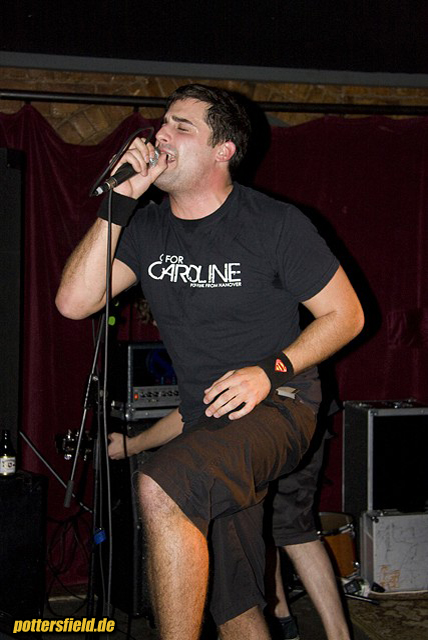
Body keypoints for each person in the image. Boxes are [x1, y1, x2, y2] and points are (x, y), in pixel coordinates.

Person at [56, 84, 364, 640]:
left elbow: (347, 316)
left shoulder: (273, 224)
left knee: (161, 486)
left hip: (281, 404)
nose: (161, 135)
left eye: (182, 126)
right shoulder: (147, 228)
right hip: (208, 423)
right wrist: (119, 202)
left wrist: (269, 371)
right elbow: (74, 303)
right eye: (163, 122)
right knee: (234, 600)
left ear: (224, 150)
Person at [108, 410, 352, 640]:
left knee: (294, 531)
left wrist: (134, 444)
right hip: (263, 429)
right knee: (268, 528)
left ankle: (336, 634)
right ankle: (283, 621)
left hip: (283, 423)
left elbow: (193, 411)